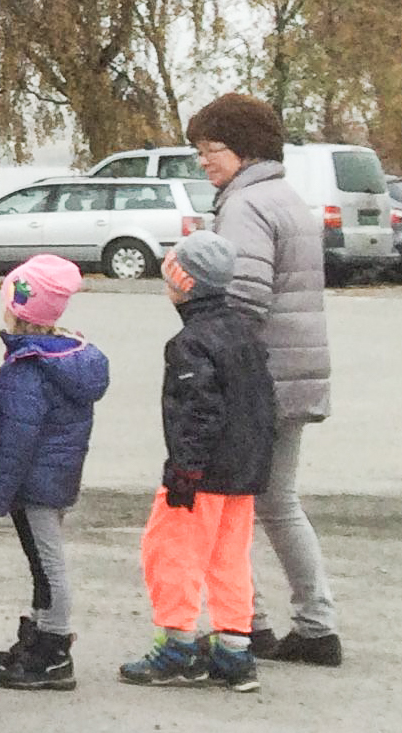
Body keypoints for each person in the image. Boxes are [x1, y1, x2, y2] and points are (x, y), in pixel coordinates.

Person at [185, 93, 340, 665]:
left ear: (245, 150)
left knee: (233, 502)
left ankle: (249, 625)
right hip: (294, 373)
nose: (203, 161)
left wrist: (212, 367)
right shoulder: (285, 196)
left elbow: (243, 299)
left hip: (259, 380)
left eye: (212, 150)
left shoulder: (246, 205)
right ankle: (311, 625)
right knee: (277, 501)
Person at [122, 231, 278, 692]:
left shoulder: (190, 343)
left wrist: (185, 471)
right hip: (244, 469)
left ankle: (178, 644)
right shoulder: (243, 331)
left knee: (171, 551)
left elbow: (198, 411)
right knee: (230, 558)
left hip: (203, 472)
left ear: (182, 281)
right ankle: (234, 647)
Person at [0, 254, 110, 694]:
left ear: (17, 310)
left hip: (33, 485)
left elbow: (14, 440)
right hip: (55, 478)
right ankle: (36, 636)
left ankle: (53, 648)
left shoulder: (27, 370)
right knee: (41, 562)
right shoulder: (68, 358)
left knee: (48, 565)